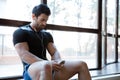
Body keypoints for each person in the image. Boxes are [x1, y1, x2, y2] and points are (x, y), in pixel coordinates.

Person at [13, 4, 91, 80]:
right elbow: (24, 55)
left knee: (82, 65)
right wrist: (49, 64)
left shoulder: (46, 34)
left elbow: (54, 52)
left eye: (46, 20)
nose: (44, 23)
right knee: (46, 65)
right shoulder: (20, 32)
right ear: (33, 16)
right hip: (31, 70)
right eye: (42, 20)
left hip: (48, 68)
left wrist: (57, 62)